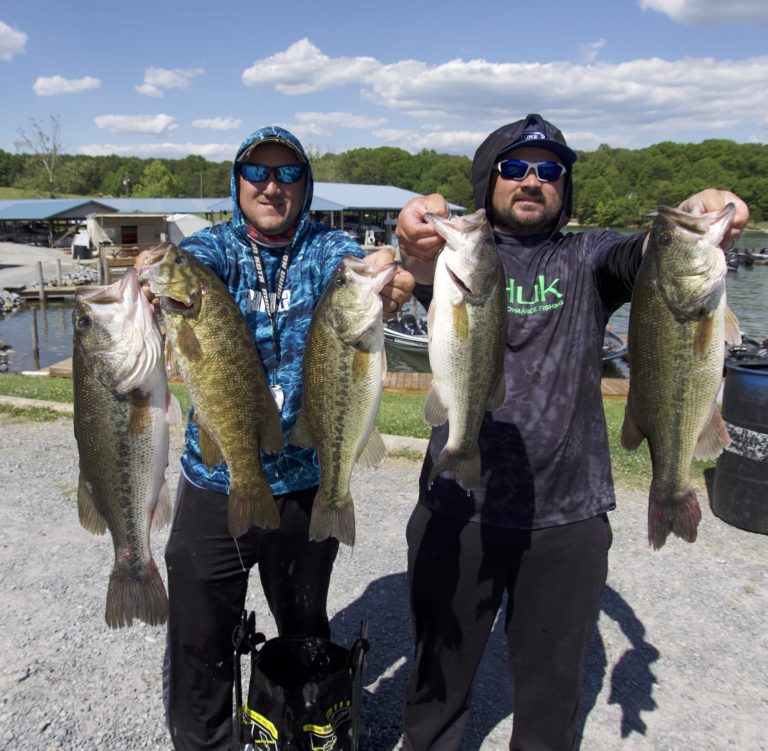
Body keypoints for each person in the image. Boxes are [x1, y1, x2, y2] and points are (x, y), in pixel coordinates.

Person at [395, 113, 749, 751]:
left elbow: (646, 253)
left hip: (567, 516)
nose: (532, 180)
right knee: (436, 689)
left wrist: (713, 208)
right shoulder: (459, 253)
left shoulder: (590, 256)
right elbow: (416, 272)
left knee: (552, 701)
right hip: (456, 504)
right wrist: (415, 246)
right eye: (514, 167)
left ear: (564, 186)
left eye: (550, 169)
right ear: (488, 180)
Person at [139, 125, 414, 751]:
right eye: (257, 172)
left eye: (288, 174)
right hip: (215, 480)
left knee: (303, 629)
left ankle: (297, 732)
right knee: (199, 637)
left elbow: (364, 268)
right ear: (237, 183)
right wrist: (155, 275)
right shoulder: (209, 253)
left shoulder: (325, 251)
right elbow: (181, 275)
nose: (272, 185)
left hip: (305, 482)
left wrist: (386, 272)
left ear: (305, 186)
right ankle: (206, 741)